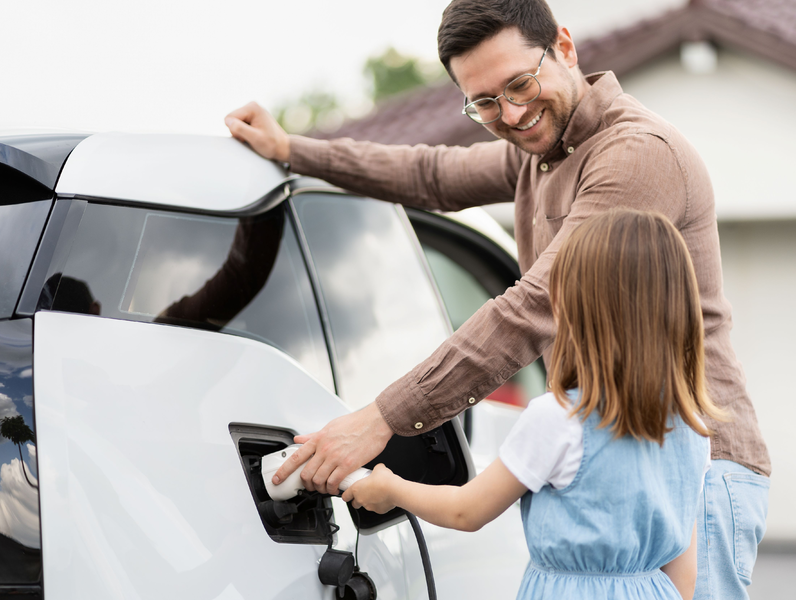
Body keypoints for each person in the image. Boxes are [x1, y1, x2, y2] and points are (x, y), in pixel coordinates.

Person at [225, 1, 770, 597]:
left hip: (683, 463)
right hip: (615, 456)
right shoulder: (541, 151)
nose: (510, 113)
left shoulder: (634, 156)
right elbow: (428, 176)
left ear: (564, 47)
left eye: (519, 84)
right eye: (484, 103)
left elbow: (533, 307)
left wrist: (383, 418)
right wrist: (294, 150)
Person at [343, 208, 718, 600]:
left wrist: (391, 489)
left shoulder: (559, 419)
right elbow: (684, 576)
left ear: (577, 310)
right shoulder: (693, 428)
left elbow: (466, 511)